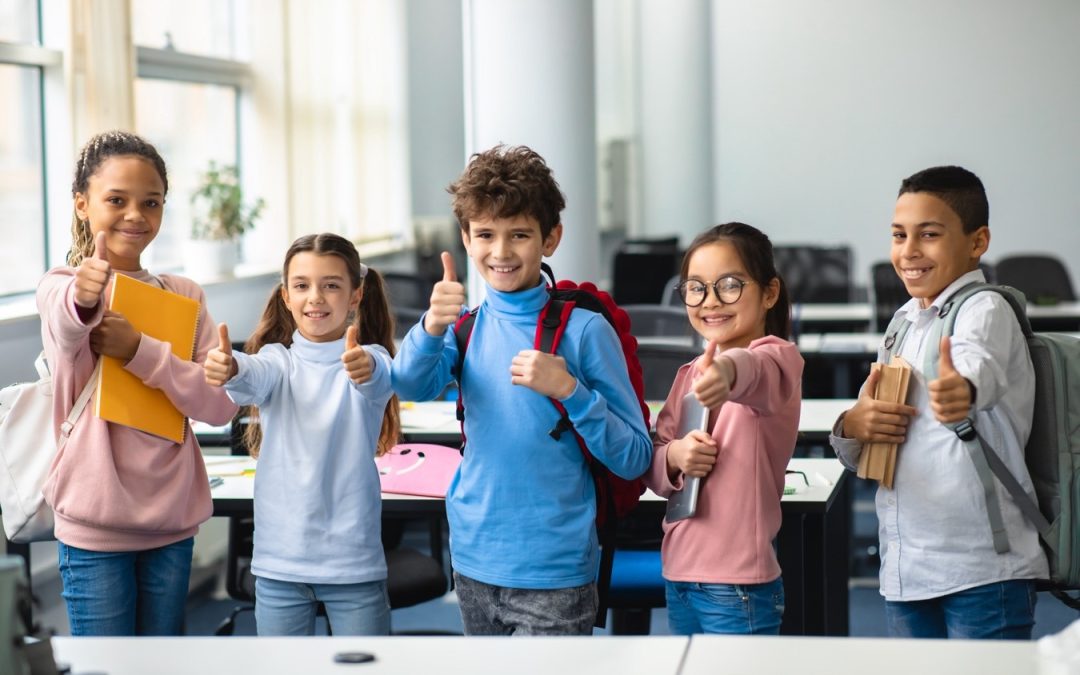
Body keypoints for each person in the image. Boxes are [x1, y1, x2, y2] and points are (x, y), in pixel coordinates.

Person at [391, 145, 652, 635]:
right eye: (486, 234)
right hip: (472, 557)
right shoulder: (462, 328)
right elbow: (406, 383)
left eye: (520, 235)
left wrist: (571, 390)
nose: (502, 252)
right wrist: (430, 325)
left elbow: (635, 456)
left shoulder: (584, 331)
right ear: (466, 239)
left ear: (550, 238)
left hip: (556, 569)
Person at [830, 165, 1048, 639]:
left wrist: (961, 392)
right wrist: (854, 424)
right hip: (908, 565)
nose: (908, 251)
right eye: (899, 235)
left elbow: (978, 366)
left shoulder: (985, 309)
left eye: (928, 234)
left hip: (983, 568)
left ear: (977, 241)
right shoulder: (904, 321)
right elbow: (872, 433)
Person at [36, 130, 238, 635]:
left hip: (171, 519)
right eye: (116, 200)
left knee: (162, 662)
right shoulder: (62, 286)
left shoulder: (183, 294)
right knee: (106, 665)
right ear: (82, 204)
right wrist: (86, 296)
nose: (135, 215)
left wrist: (140, 352)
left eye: (151, 202)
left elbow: (218, 407)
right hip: (95, 524)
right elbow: (67, 324)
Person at [203, 233, 399, 636]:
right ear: (286, 296)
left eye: (331, 285)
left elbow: (374, 375)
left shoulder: (371, 358)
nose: (316, 297)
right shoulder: (278, 361)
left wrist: (364, 366)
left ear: (356, 295)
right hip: (281, 563)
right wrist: (231, 368)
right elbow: (252, 374)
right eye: (302, 285)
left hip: (353, 561)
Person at [644, 222, 802, 635]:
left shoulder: (778, 359)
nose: (711, 301)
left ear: (769, 292)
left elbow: (752, 370)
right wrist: (675, 456)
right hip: (680, 573)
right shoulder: (688, 373)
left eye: (729, 285)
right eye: (696, 288)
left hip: (737, 585)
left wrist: (728, 369)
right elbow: (657, 456)